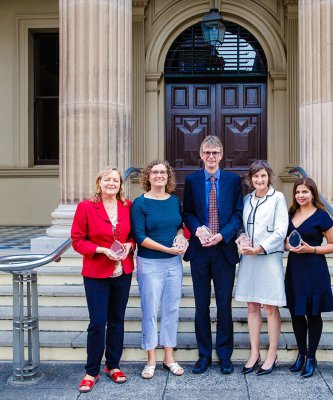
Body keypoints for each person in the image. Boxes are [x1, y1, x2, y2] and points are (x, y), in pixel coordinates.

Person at [183, 135, 243, 374]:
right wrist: (197, 228)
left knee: (224, 306)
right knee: (201, 307)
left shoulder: (232, 181)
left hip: (223, 251)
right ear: (200, 155)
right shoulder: (192, 180)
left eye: (215, 153)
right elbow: (186, 211)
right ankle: (204, 355)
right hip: (199, 252)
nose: (211, 157)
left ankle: (225, 355)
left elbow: (238, 214)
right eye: (207, 152)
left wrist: (223, 235)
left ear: (221, 155)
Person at [71, 167, 135, 393]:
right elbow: (77, 240)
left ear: (120, 185)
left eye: (115, 180)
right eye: (107, 179)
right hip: (96, 273)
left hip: (122, 272)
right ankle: (91, 371)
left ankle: (113, 365)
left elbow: (133, 236)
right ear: (99, 183)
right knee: (98, 322)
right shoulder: (86, 207)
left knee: (117, 320)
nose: (111, 183)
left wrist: (129, 245)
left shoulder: (128, 207)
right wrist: (100, 249)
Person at [131, 160, 187, 379]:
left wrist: (181, 238)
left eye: (163, 172)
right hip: (150, 263)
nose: (159, 175)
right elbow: (139, 237)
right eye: (155, 172)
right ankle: (151, 359)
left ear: (168, 176)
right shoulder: (140, 203)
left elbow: (179, 226)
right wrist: (166, 249)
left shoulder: (174, 200)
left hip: (174, 263)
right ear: (148, 176)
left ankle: (169, 357)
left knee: (171, 309)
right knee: (151, 310)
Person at [235, 160, 288, 375]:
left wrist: (260, 248)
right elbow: (241, 225)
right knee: (252, 306)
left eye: (263, 176)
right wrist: (241, 239)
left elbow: (280, 230)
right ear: (250, 179)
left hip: (268, 257)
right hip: (249, 258)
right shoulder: (247, 199)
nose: (259, 180)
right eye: (256, 177)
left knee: (270, 307)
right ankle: (254, 353)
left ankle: (272, 354)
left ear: (269, 177)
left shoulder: (278, 198)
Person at [285, 177, 333, 378]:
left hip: (314, 269)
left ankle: (311, 357)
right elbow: (285, 241)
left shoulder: (322, 216)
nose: (300, 195)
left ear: (313, 194)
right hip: (295, 269)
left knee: (313, 313)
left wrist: (313, 249)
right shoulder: (291, 213)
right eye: (298, 192)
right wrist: (287, 246)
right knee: (296, 313)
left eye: (305, 192)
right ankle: (300, 353)